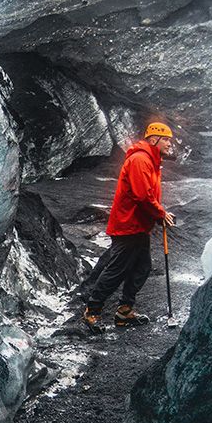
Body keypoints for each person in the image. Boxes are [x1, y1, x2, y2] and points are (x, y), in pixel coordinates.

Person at [83, 122, 175, 331]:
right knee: (117, 269)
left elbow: (147, 195)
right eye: (167, 139)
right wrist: (160, 213)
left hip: (138, 225)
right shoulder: (140, 160)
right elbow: (142, 195)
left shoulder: (150, 160)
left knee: (142, 267)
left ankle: (124, 312)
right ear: (154, 139)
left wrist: (156, 215)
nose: (170, 143)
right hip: (128, 225)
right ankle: (92, 312)